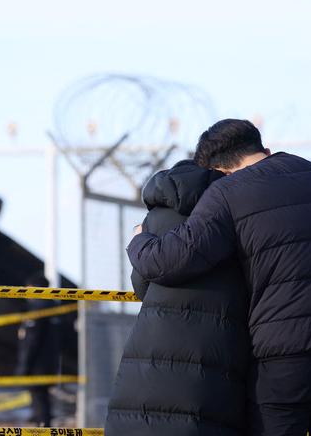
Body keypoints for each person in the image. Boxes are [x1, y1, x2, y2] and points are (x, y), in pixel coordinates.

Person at [127, 119, 311, 436]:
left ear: (219, 171)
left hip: (286, 353)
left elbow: (170, 261)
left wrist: (138, 239)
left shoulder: (228, 192)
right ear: (264, 150)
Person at [106, 160, 250, 436]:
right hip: (211, 357)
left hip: (147, 357)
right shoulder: (232, 215)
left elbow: (141, 285)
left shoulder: (155, 218)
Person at [15, 274, 61, 427]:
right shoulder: (55, 308)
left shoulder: (37, 310)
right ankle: (43, 425)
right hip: (51, 363)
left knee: (39, 400)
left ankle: (42, 428)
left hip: (37, 366)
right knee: (43, 400)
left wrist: (24, 367)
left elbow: (31, 342)